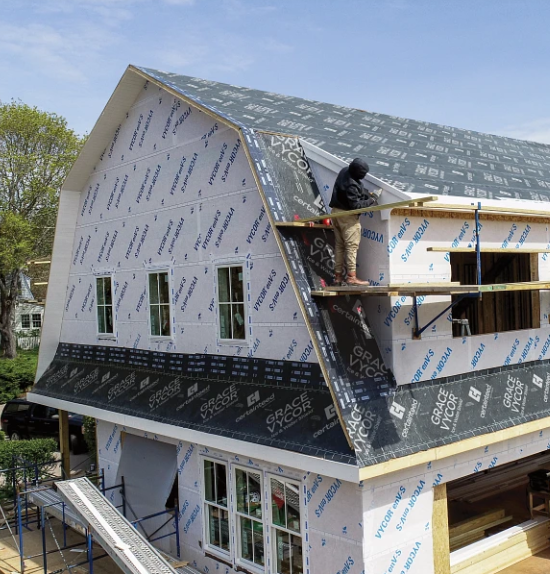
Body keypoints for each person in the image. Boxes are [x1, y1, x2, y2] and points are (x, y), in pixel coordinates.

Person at [329, 158, 381, 286]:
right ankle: (352, 278)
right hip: (347, 217)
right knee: (351, 246)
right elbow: (356, 206)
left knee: (340, 246)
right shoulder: (351, 185)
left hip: (336, 212)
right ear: (358, 173)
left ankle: (338, 277)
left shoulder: (345, 171)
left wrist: (366, 194)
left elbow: (358, 187)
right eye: (363, 174)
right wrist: (371, 199)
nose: (364, 177)